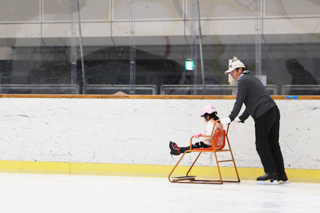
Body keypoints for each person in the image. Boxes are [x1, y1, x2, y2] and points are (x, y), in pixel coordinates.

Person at [220, 60, 288, 183]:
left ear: (239, 70)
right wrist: (242, 117)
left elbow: (239, 100)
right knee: (273, 145)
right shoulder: (251, 79)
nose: (232, 75)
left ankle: (272, 173)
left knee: (261, 145)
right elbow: (252, 102)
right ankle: (281, 175)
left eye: (232, 72)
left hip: (263, 114)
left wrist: (231, 117)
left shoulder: (243, 80)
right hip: (273, 111)